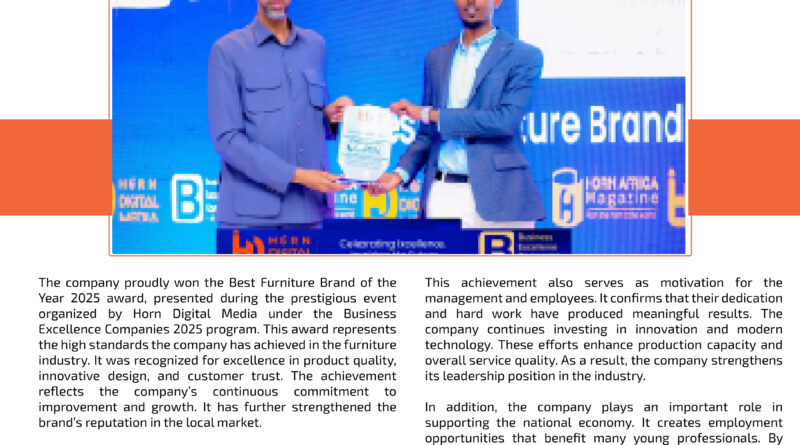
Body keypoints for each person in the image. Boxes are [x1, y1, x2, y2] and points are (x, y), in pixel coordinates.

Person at [369, 0, 546, 229]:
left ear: (497, 2)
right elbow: (427, 134)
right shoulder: (436, 58)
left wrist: (430, 115)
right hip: (445, 194)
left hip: (503, 194)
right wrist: (399, 174)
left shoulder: (524, 55)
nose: (470, 1)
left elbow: (504, 121)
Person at [208, 0, 352, 228]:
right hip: (252, 218)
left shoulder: (315, 45)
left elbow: (299, 121)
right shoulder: (227, 50)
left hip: (313, 212)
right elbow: (227, 139)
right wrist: (298, 175)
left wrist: (329, 118)